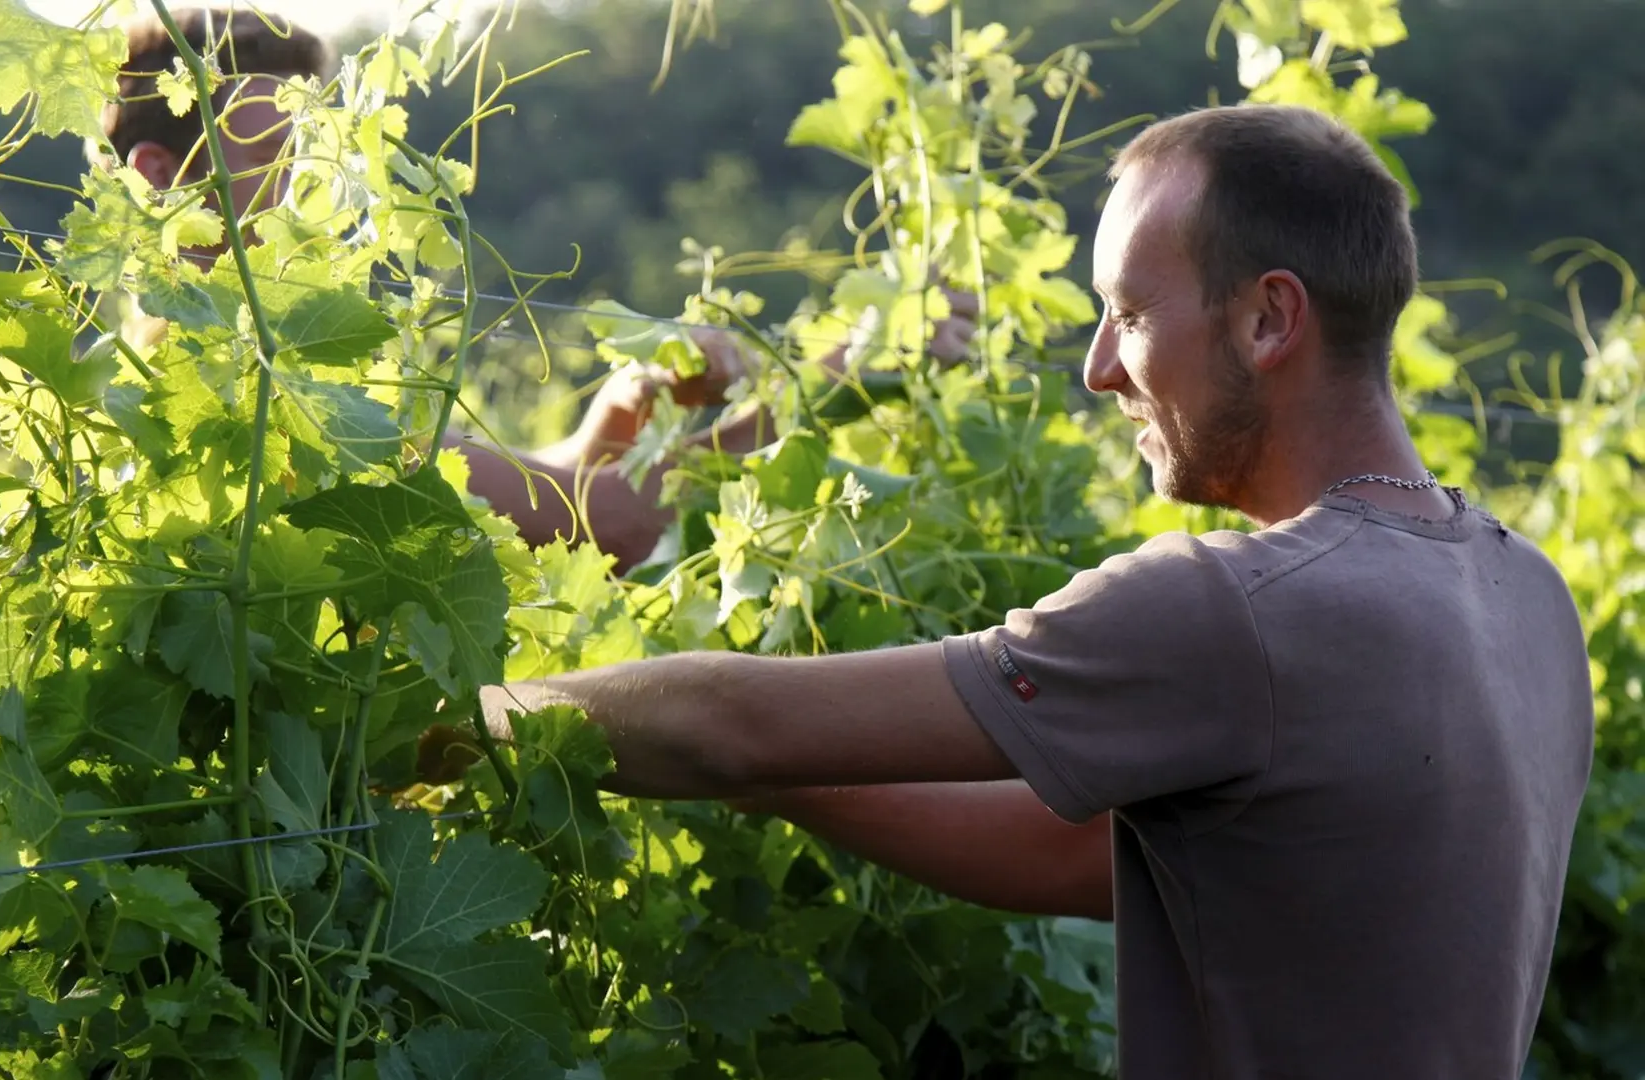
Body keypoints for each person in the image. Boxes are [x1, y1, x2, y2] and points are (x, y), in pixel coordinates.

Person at [480, 104, 1597, 1078]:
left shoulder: (1239, 609)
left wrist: (449, 719)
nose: (1098, 368)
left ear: (1267, 319)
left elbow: (729, 725)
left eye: (1131, 314)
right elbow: (1082, 852)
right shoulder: (1524, 590)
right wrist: (789, 776)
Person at [93, 6, 977, 567]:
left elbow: (528, 497)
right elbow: (613, 527)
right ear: (157, 178)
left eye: (320, 157)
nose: (318, 195)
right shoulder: (242, 394)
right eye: (274, 158)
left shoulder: (280, 360)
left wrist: (624, 408)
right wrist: (835, 383)